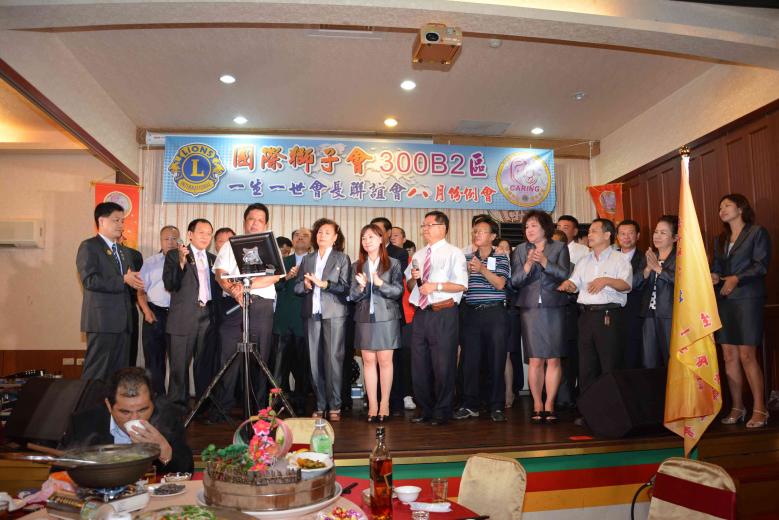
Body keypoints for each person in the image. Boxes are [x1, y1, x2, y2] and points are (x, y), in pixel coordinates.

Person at [213, 204, 281, 415]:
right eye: (251, 219)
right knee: (228, 355)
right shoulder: (230, 244)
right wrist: (234, 290)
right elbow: (220, 273)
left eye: (260, 220)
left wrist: (247, 287)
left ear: (266, 224)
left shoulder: (270, 246)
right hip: (234, 304)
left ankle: (259, 410)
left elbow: (275, 276)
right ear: (244, 222)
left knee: (260, 357)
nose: (255, 223)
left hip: (261, 305)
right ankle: (223, 408)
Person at [61, 367, 193, 474]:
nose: (135, 418)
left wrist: (165, 452)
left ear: (153, 403)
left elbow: (187, 470)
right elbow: (61, 470)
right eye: (125, 412)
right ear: (108, 405)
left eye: (143, 410)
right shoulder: (83, 423)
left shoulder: (168, 418)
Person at [711, 194, 771, 428]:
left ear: (740, 208)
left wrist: (736, 278)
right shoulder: (720, 239)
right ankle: (737, 406)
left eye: (727, 205)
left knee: (747, 355)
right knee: (728, 355)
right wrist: (714, 276)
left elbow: (761, 265)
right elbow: (717, 267)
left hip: (748, 299)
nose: (722, 210)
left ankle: (760, 408)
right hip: (725, 299)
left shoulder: (757, 232)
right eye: (720, 207)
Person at [558, 218, 632, 400]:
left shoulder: (619, 259)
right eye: (589, 231)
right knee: (586, 366)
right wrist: (567, 285)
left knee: (609, 364)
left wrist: (606, 280)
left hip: (608, 317)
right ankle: (589, 409)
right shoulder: (584, 261)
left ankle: (611, 407)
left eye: (594, 231)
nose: (589, 235)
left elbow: (626, 285)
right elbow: (574, 285)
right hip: (585, 316)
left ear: (607, 235)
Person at [406, 211, 468, 426]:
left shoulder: (454, 253)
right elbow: (412, 286)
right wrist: (414, 279)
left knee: (443, 365)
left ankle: (443, 410)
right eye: (423, 225)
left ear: (443, 228)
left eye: (429, 225)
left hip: (444, 312)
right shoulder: (419, 254)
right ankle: (425, 408)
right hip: (421, 313)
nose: (425, 229)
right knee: (419, 364)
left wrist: (436, 286)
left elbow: (461, 285)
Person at [511, 211, 571, 424]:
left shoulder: (559, 247)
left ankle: (550, 404)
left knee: (553, 358)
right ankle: (537, 404)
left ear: (545, 228)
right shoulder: (520, 250)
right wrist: (527, 265)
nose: (529, 230)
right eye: (527, 227)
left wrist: (545, 262)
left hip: (554, 306)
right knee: (535, 359)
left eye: (533, 226)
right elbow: (514, 281)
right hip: (530, 309)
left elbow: (564, 274)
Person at [77, 202, 144, 381]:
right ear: (101, 221)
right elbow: (90, 280)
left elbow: (128, 281)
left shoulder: (123, 251)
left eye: (122, 221)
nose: (121, 225)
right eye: (116, 220)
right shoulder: (89, 246)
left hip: (124, 323)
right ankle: (88, 400)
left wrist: (138, 282)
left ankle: (112, 401)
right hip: (102, 322)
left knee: (119, 375)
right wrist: (123, 280)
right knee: (97, 372)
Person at [295, 218, 351, 421]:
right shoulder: (308, 259)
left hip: (334, 313)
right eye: (319, 232)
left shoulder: (342, 258)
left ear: (335, 238)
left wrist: (324, 284)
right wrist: (306, 286)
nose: (322, 235)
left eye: (327, 232)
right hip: (312, 314)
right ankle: (320, 403)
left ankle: (335, 405)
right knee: (313, 361)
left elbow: (345, 288)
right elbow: (297, 287)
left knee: (333, 359)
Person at [456, 216, 510, 422]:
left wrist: (482, 269)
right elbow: (461, 286)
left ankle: (496, 406)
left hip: (494, 313)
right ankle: (470, 405)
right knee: (470, 360)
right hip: (471, 313)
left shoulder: (501, 257)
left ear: (493, 236)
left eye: (482, 231)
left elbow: (500, 284)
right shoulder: (466, 257)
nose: (477, 234)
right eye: (475, 231)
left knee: (496, 360)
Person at [163, 218, 220, 407]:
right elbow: (170, 284)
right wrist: (181, 262)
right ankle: (177, 407)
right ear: (190, 234)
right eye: (201, 232)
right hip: (183, 318)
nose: (205, 237)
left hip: (208, 317)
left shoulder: (213, 259)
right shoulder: (175, 255)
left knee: (204, 365)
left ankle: (203, 406)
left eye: (209, 233)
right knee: (179, 366)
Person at [350, 224, 404, 422]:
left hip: (386, 317)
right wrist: (361, 287)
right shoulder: (357, 265)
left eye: (371, 237)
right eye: (364, 238)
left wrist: (381, 283)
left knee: (385, 361)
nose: (367, 241)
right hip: (364, 317)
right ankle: (372, 405)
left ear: (381, 239)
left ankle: (385, 404)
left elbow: (398, 291)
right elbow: (352, 296)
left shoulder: (393, 263)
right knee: (368, 361)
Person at [370, 217, 413, 414]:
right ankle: (374, 399)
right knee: (372, 359)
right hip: (370, 314)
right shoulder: (366, 253)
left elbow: (396, 280)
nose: (375, 235)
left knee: (392, 358)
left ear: (387, 233)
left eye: (379, 231)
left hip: (390, 311)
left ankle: (394, 400)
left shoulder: (399, 253)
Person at [272, 227, 312, 413]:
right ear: (292, 240)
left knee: (303, 367)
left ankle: (302, 403)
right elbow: (273, 286)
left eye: (305, 236)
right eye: (297, 235)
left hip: (305, 322)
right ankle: (278, 402)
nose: (300, 238)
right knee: (280, 367)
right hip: (284, 321)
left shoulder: (316, 261)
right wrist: (286, 277)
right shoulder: (282, 261)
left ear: (311, 242)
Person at [137, 225, 179, 395]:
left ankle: (175, 401)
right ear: (160, 241)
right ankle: (157, 399)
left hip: (177, 314)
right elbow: (140, 292)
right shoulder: (150, 262)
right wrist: (146, 311)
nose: (170, 242)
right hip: (154, 313)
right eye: (166, 239)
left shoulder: (185, 262)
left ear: (179, 241)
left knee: (178, 361)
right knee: (154, 360)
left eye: (174, 238)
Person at [640, 216, 678, 368]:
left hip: (670, 314)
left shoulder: (681, 258)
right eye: (656, 232)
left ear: (675, 238)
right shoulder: (651, 256)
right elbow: (635, 283)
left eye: (663, 233)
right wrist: (647, 269)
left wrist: (658, 269)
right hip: (649, 314)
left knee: (671, 359)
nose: (657, 236)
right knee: (649, 361)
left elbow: (683, 281)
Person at [616, 220, 646, 369]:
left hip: (634, 311)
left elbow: (637, 283)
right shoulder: (609, 256)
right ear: (617, 237)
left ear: (638, 236)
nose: (626, 237)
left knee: (632, 353)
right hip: (612, 312)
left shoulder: (645, 258)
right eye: (622, 234)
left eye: (630, 233)